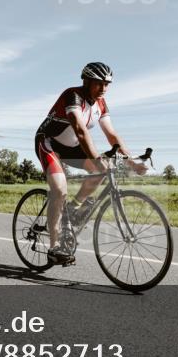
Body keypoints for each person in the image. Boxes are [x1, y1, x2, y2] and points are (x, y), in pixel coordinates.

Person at [34, 62, 148, 264]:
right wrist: (96, 158)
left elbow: (111, 135)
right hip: (49, 142)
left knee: (105, 168)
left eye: (107, 84)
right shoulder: (73, 96)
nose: (103, 89)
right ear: (86, 81)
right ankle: (54, 248)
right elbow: (80, 129)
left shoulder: (101, 103)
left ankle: (73, 207)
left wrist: (131, 161)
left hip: (73, 147)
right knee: (59, 190)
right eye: (98, 83)